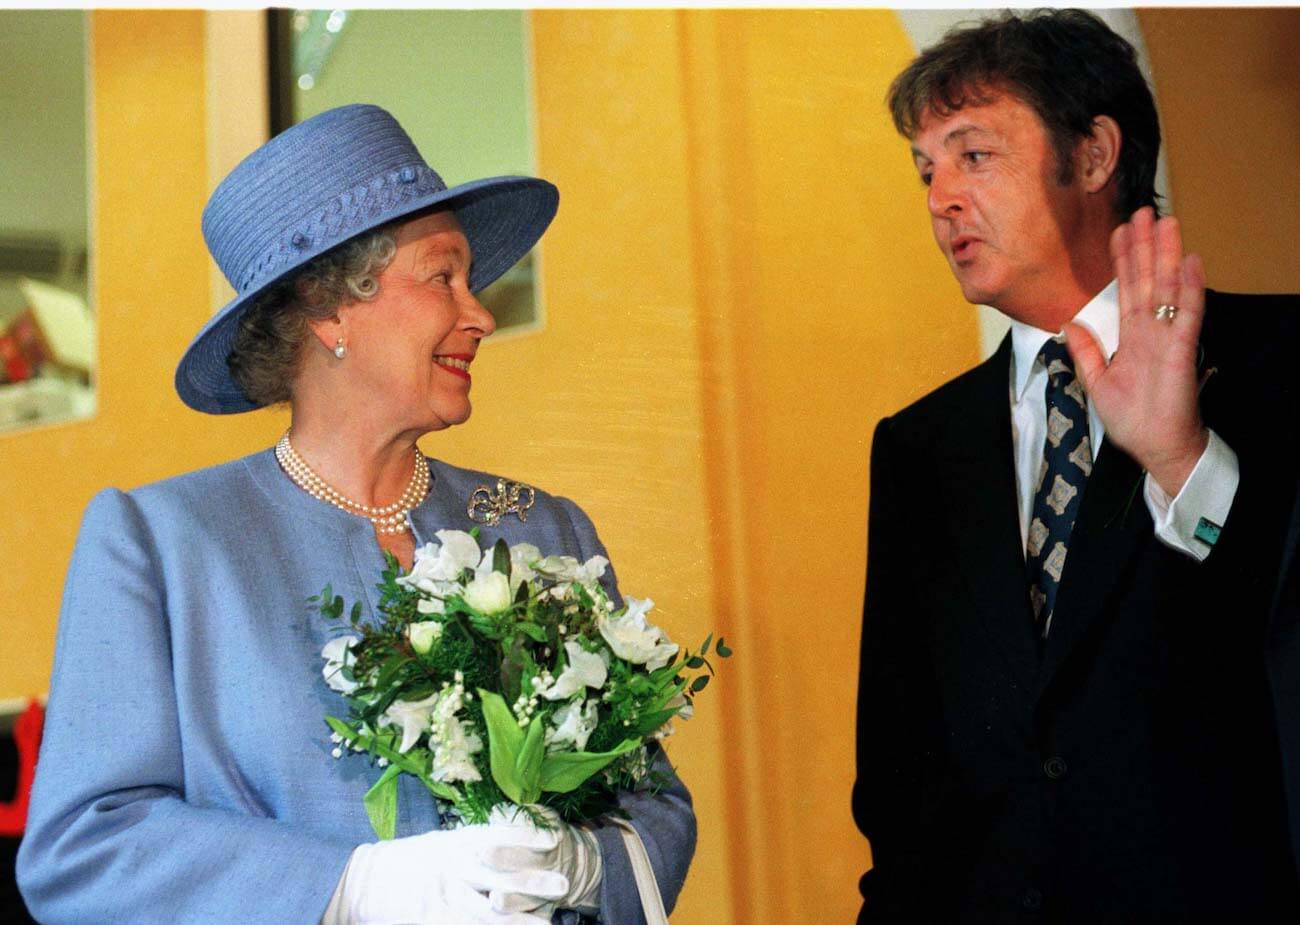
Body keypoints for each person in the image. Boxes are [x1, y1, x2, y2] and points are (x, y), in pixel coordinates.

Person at [17, 103, 695, 925]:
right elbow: (83, 847)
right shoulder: (160, 546)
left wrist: (585, 866)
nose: (480, 313)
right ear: (330, 307)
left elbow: (656, 808)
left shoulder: (540, 530)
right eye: (443, 276)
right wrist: (350, 889)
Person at [854, 10, 1300, 923]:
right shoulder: (916, 446)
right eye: (926, 168)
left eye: (973, 155)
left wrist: (1179, 457)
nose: (940, 196)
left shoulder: (1283, 359)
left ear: (1095, 155)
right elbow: (901, 772)